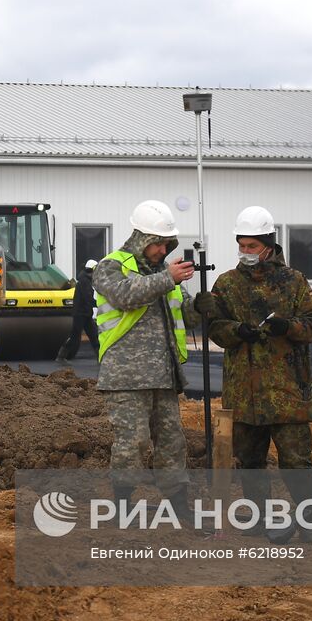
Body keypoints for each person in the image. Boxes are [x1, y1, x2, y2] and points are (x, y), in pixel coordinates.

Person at [196, 205, 312, 543]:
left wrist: (288, 326)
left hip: (287, 392)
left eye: (252, 246)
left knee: (296, 461)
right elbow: (217, 329)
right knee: (250, 461)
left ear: (268, 245)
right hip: (245, 394)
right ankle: (258, 518)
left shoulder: (293, 282)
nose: (246, 252)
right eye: (242, 245)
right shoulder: (227, 283)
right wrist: (238, 331)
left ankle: (310, 520)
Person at [93, 199, 196, 516]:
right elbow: (125, 296)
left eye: (167, 244)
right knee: (132, 443)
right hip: (126, 376)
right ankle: (122, 506)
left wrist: (204, 305)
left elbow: (184, 312)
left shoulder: (164, 275)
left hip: (164, 375)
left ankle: (179, 506)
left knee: (172, 443)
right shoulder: (111, 266)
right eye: (158, 243)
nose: (163, 250)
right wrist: (168, 278)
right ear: (142, 238)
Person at [56, 258, 100, 364]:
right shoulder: (85, 282)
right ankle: (61, 357)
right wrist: (100, 304)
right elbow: (87, 298)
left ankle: (101, 357)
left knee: (94, 335)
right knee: (75, 337)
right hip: (80, 314)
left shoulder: (85, 280)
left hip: (85, 314)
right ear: (93, 270)